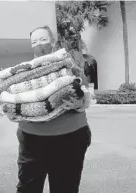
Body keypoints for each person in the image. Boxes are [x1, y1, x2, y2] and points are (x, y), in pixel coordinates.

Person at [16, 26, 92, 193]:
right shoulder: (24, 72)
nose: (39, 44)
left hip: (70, 138)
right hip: (32, 140)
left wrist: (81, 103)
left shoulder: (68, 65)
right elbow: (15, 101)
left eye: (43, 40)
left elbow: (85, 92)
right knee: (28, 188)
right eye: (34, 41)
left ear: (53, 41)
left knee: (65, 188)